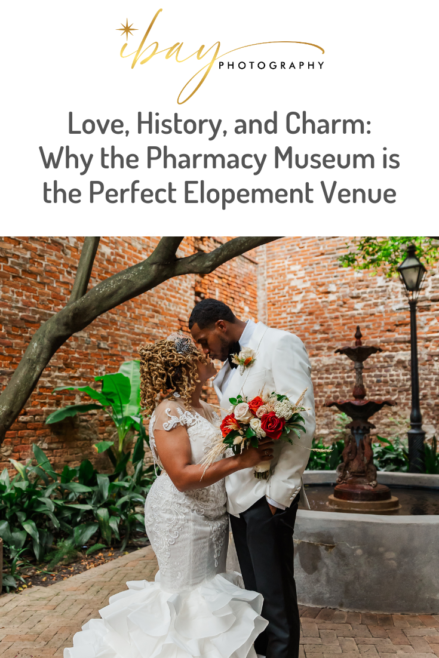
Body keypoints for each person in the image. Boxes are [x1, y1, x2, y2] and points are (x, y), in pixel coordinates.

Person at [64, 333, 270, 658]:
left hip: (213, 514)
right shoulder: (168, 412)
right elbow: (182, 476)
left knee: (207, 596)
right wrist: (242, 462)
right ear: (185, 366)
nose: (207, 355)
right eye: (199, 353)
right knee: (185, 597)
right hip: (181, 515)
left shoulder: (205, 407)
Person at [190, 300, 316, 658]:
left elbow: (302, 421)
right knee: (257, 594)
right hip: (238, 498)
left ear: (220, 326)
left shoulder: (279, 344)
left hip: (267, 496)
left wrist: (279, 497)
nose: (204, 350)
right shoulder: (226, 367)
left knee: (276, 597)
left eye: (203, 340)